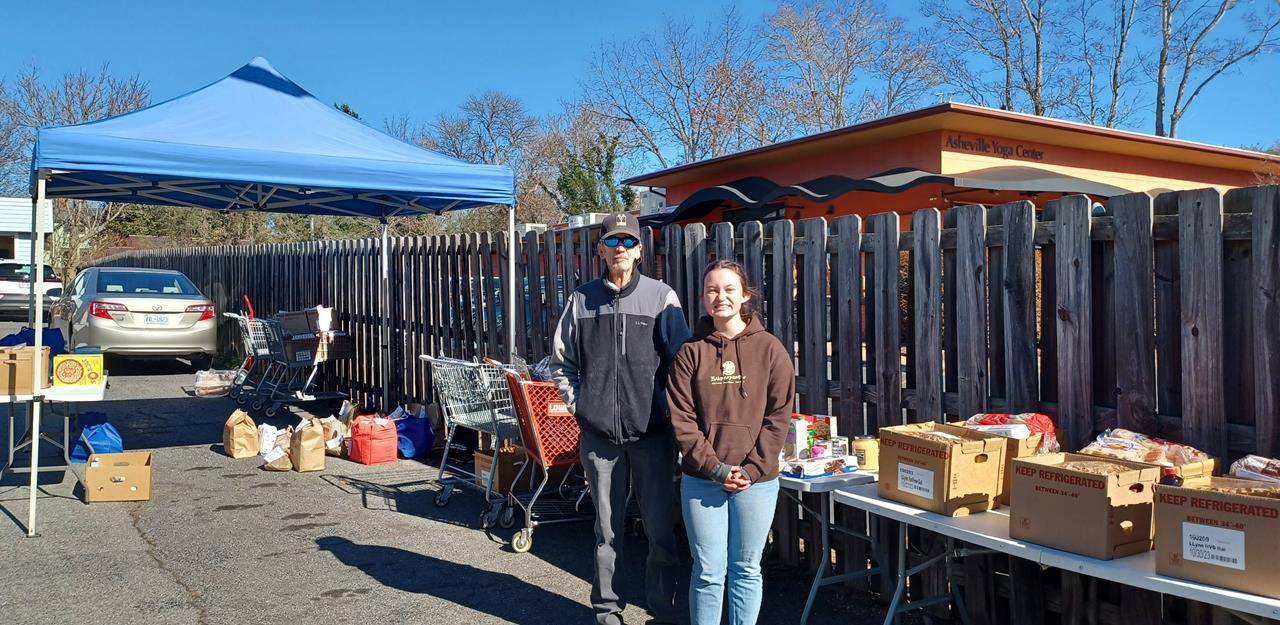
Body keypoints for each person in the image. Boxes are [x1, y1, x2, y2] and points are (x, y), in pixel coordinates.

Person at [550, 212, 691, 625]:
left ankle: (662, 611)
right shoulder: (581, 300)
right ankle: (607, 609)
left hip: (652, 436)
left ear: (640, 251)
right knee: (606, 533)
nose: (620, 250)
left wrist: (666, 410)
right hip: (601, 439)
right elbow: (561, 363)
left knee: (660, 530)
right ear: (601, 250)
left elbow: (681, 365)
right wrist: (582, 406)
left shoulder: (662, 298)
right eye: (613, 242)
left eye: (628, 243)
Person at [665, 260, 795, 625]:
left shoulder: (771, 350)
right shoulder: (690, 353)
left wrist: (751, 470)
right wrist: (715, 467)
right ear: (704, 298)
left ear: (745, 297)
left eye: (728, 290)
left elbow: (779, 416)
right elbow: (682, 420)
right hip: (702, 480)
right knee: (707, 571)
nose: (719, 297)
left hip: (757, 483)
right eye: (711, 290)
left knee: (746, 569)